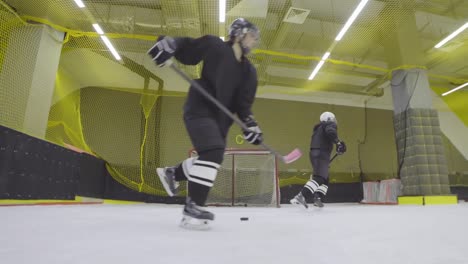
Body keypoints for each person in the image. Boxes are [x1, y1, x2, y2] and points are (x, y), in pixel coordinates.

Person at [147, 18, 263, 228]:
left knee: (210, 158)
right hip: (199, 108)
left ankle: (173, 173)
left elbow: (243, 105)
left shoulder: (249, 73)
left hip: (221, 121)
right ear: (239, 33)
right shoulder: (216, 46)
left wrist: (250, 124)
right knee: (214, 153)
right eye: (252, 36)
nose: (254, 41)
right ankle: (193, 207)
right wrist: (168, 45)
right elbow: (188, 49)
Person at [290, 111, 346, 208]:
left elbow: (326, 136)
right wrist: (338, 143)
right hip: (322, 153)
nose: (334, 121)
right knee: (320, 177)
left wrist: (337, 144)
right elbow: (331, 132)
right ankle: (301, 196)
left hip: (314, 153)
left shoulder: (319, 128)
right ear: (329, 119)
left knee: (325, 177)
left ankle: (317, 197)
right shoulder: (329, 124)